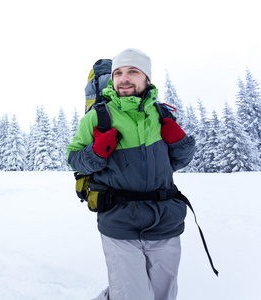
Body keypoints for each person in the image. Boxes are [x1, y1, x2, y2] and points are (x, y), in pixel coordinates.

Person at [66, 48, 196, 300]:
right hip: (120, 221)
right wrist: (96, 151)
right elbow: (74, 159)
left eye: (133, 71)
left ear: (147, 78)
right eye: (118, 73)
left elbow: (178, 162)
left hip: (165, 221)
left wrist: (180, 143)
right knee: (132, 295)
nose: (124, 78)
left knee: (164, 295)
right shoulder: (97, 118)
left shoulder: (161, 115)